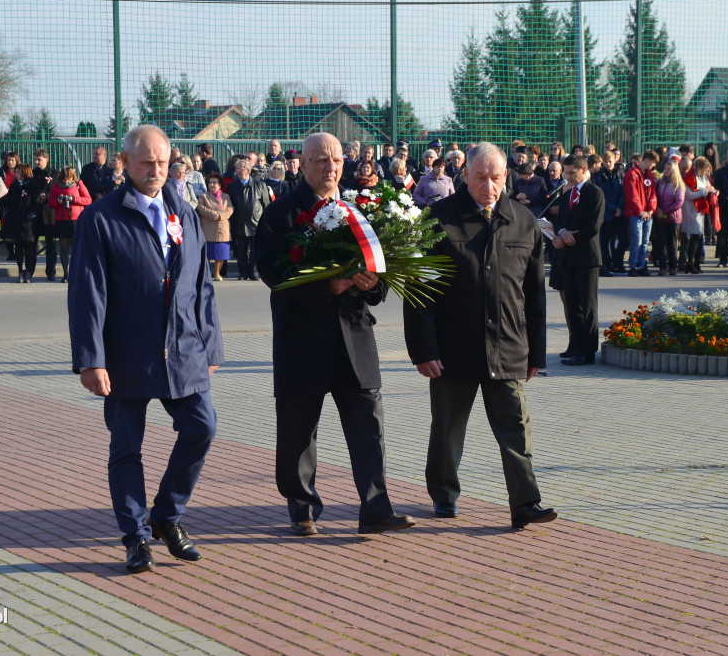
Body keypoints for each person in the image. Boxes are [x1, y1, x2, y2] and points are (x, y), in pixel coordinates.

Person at [68, 124, 223, 573]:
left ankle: (167, 517)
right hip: (125, 356)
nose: (156, 170)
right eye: (146, 163)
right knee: (126, 449)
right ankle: (136, 537)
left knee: (202, 428)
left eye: (163, 161)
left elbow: (202, 285)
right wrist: (90, 360)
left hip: (185, 348)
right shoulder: (100, 218)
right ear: (125, 163)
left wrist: (210, 345)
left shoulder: (185, 211)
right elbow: (87, 295)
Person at [254, 132, 416, 537]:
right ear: (303, 165)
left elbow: (381, 278)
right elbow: (273, 272)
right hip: (302, 338)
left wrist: (368, 284)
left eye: (337, 160)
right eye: (321, 161)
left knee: (368, 424)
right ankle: (302, 506)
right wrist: (327, 286)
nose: (331, 168)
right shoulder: (282, 214)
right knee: (298, 429)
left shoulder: (358, 210)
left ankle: (376, 509)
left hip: (354, 338)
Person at [401, 142, 555, 527]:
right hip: (453, 349)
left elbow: (534, 295)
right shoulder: (436, 220)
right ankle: (443, 493)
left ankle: (525, 503)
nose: (489, 186)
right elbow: (419, 292)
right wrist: (423, 349)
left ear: (507, 177)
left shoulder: (523, 221)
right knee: (448, 428)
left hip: (508, 347)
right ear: (465, 176)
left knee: (516, 429)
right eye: (481, 177)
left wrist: (537, 353)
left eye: (497, 178)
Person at [553, 154, 605, 364]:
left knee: (588, 305)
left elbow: (594, 226)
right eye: (566, 172)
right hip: (568, 258)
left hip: (587, 258)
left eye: (572, 173)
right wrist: (562, 231)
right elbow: (559, 221)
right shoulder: (567, 194)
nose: (568, 176)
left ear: (584, 170)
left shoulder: (595, 193)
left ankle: (588, 350)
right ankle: (575, 345)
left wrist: (570, 238)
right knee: (572, 305)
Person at [227, 158, 269, 280]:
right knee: (241, 251)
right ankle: (243, 273)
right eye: (237, 169)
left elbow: (266, 205)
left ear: (248, 170)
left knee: (255, 250)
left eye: (241, 168)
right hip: (239, 222)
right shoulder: (232, 186)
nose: (238, 171)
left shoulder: (260, 185)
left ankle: (254, 273)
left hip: (256, 222)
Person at [48, 166, 92, 283]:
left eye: (69, 178)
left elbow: (88, 200)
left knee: (77, 248)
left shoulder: (78, 184)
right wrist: (58, 200)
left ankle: (77, 273)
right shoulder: (57, 185)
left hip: (76, 219)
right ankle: (66, 274)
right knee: (64, 248)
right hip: (62, 219)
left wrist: (74, 199)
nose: (66, 181)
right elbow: (51, 203)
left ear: (72, 177)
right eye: (64, 179)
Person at [0, 164, 42, 283]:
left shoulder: (33, 186)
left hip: (28, 222)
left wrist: (32, 214)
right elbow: (8, 201)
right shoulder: (14, 185)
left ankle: (29, 271)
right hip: (15, 220)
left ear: (24, 173)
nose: (16, 174)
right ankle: (20, 270)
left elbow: (37, 203)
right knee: (18, 246)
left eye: (18, 172)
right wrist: (7, 211)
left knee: (29, 247)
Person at [623, 150, 659, 277]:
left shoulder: (649, 174)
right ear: (647, 161)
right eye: (653, 163)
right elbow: (632, 195)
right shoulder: (631, 174)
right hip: (635, 214)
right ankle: (632, 266)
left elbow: (652, 194)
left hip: (647, 214)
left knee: (644, 241)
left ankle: (641, 265)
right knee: (636, 240)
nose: (653, 166)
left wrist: (651, 209)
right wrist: (640, 211)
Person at [593, 150, 625, 273]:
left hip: (619, 212)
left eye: (610, 161)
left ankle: (618, 262)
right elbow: (601, 196)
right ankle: (607, 264)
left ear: (615, 161)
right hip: (606, 213)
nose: (607, 164)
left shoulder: (620, 175)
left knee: (623, 239)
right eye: (605, 162)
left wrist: (619, 208)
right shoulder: (598, 176)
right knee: (605, 240)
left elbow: (623, 194)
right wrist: (613, 208)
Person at [681, 157, 715, 274]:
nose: (706, 173)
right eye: (704, 170)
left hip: (701, 210)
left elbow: (708, 187)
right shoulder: (689, 178)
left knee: (699, 237)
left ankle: (696, 263)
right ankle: (689, 263)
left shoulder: (703, 177)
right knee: (695, 237)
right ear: (699, 168)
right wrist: (706, 191)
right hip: (692, 210)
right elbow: (690, 195)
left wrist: (713, 191)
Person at [196, 172, 232, 281]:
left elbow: (230, 209)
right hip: (208, 228)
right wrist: (213, 215)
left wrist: (220, 215)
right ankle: (206, 275)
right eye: (210, 183)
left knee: (220, 253)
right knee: (207, 254)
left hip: (222, 228)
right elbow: (200, 207)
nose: (212, 185)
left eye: (214, 183)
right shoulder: (204, 196)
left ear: (220, 185)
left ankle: (217, 273)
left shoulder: (226, 196)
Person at [654, 159, 685, 276]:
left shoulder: (678, 184)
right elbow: (654, 195)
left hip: (673, 218)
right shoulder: (660, 182)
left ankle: (673, 266)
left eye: (668, 169)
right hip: (660, 217)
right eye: (665, 169)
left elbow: (679, 202)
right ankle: (662, 266)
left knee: (672, 243)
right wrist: (658, 209)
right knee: (661, 242)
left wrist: (664, 212)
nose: (666, 171)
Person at [32, 149, 58, 280]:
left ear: (46, 159)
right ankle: (30, 270)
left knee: (51, 244)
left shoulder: (55, 173)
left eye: (39, 159)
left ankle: (51, 271)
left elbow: (58, 190)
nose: (36, 162)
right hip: (36, 213)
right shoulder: (31, 174)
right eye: (35, 159)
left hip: (50, 212)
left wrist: (47, 196)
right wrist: (38, 197)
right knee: (32, 243)